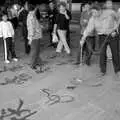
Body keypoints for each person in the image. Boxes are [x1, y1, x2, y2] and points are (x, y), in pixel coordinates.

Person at [80, 5, 120, 77]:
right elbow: (88, 29)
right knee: (102, 54)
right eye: (92, 12)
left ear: (100, 11)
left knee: (115, 53)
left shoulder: (110, 12)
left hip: (112, 35)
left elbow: (118, 19)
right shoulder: (93, 18)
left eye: (95, 12)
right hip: (102, 36)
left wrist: (116, 29)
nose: (93, 14)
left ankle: (117, 70)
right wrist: (83, 39)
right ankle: (102, 71)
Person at [27, 5, 43, 69]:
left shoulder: (33, 16)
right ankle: (32, 65)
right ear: (35, 9)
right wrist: (30, 39)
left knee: (37, 50)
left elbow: (35, 25)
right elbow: (31, 28)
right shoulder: (31, 17)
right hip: (34, 37)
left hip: (37, 36)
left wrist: (39, 26)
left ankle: (38, 62)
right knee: (34, 51)